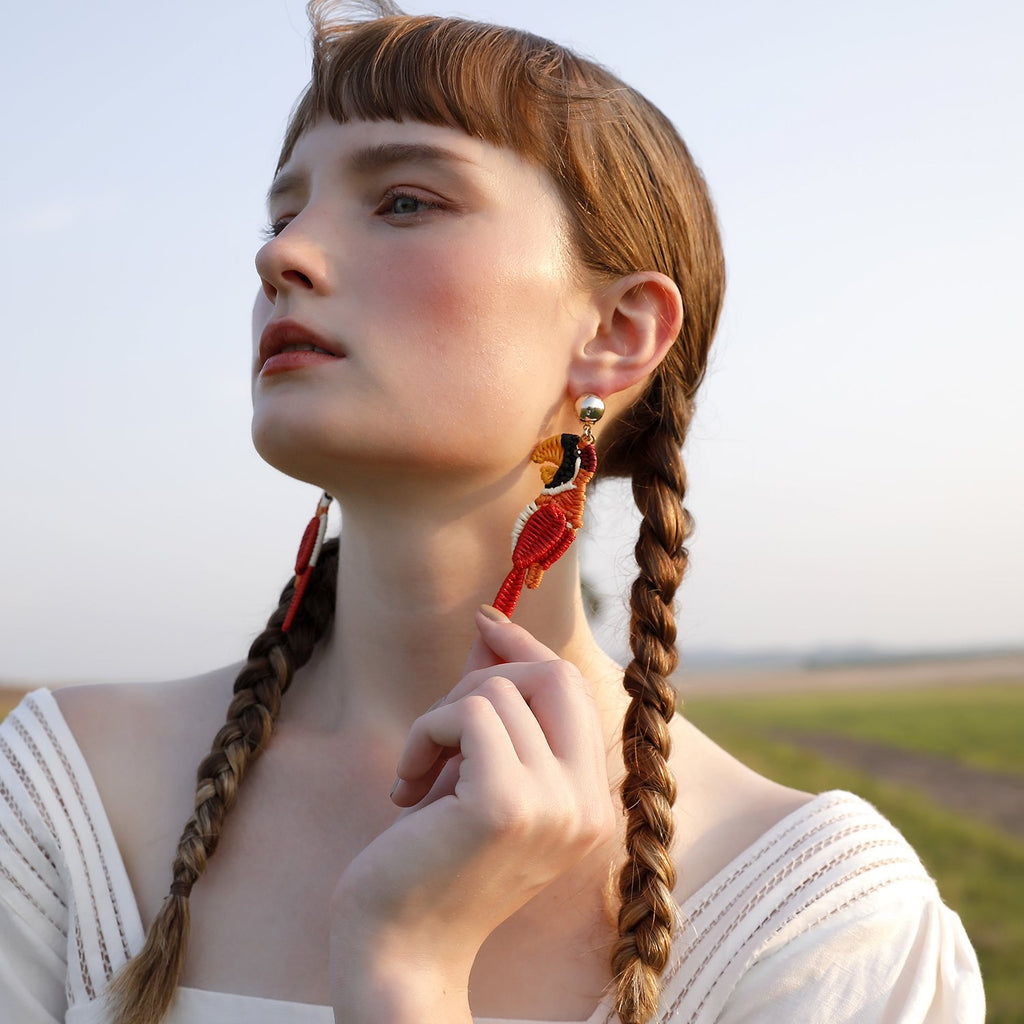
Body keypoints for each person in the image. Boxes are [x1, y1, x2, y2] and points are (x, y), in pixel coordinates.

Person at [0, 3, 984, 1023]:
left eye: (404, 201)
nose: (281, 256)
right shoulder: (62, 797)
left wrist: (407, 967)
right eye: (281, 213)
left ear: (615, 330)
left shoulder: (817, 921)